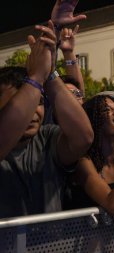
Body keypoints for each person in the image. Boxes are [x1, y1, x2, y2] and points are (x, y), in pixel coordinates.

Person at [0, 20, 93, 218]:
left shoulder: (47, 137)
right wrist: (35, 77)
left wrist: (49, 75)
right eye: (24, 104)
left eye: (40, 102)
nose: (34, 112)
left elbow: (83, 137)